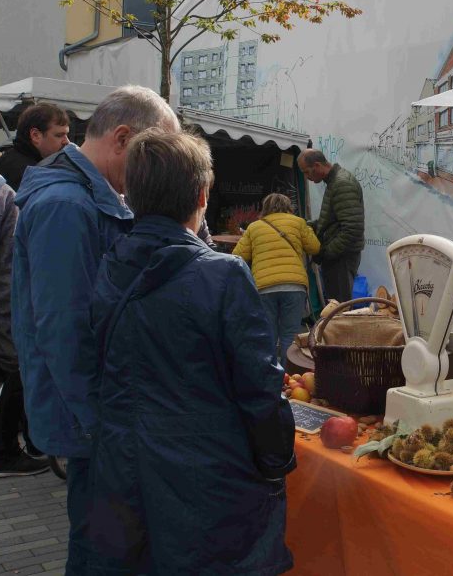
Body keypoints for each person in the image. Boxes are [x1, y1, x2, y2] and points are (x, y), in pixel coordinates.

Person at [88, 128, 295, 574]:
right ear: (203, 195)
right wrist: (277, 463)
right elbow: (261, 388)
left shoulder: (111, 263)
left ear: (132, 193)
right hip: (208, 484)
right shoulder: (222, 275)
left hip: (125, 474)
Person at [10, 85, 180, 574]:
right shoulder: (67, 205)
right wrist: (97, 423)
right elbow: (64, 331)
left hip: (100, 415)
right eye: (154, 156)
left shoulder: (89, 196)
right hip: (93, 420)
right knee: (98, 552)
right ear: (123, 138)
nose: (156, 172)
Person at [0, 161, 47, 477]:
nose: (66, 142)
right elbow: (3, 283)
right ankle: (2, 452)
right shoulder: (1, 196)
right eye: (60, 134)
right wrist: (6, 347)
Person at [234, 192, 320, 363]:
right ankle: (288, 380)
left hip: (264, 287)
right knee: (289, 335)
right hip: (294, 287)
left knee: (268, 336)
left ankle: (269, 378)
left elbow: (238, 255)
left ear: (265, 208)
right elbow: (315, 247)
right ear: (289, 207)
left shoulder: (254, 227)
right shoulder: (298, 222)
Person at [298, 149, 365, 303]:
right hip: (337, 257)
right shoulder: (333, 182)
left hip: (341, 259)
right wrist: (300, 224)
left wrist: (326, 253)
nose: (307, 178)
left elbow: (352, 229)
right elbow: (330, 221)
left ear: (317, 165)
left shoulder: (342, 184)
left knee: (338, 309)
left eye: (307, 172)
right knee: (335, 307)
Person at [0, 103, 71, 191]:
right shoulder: (28, 174)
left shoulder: (9, 160)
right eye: (59, 135)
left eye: (66, 135)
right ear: (35, 135)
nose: (67, 141)